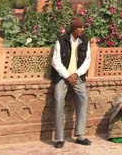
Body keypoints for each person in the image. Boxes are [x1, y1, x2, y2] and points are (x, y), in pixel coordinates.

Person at [50, 17, 92, 148]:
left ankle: (80, 136)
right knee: (58, 101)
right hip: (63, 76)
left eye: (83, 27)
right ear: (73, 29)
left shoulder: (85, 41)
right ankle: (59, 138)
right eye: (79, 28)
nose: (82, 30)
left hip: (77, 76)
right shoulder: (61, 40)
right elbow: (55, 60)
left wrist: (76, 74)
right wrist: (68, 76)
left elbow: (87, 60)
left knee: (83, 99)